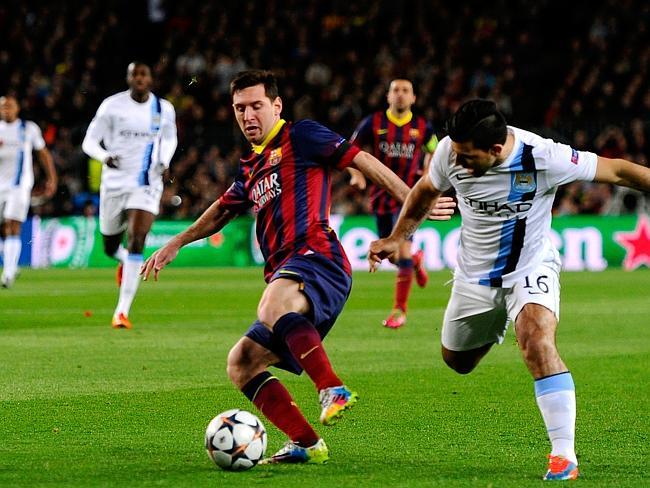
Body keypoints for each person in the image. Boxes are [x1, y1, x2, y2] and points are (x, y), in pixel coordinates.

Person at [141, 70, 453, 465]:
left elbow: (364, 160)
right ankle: (307, 442)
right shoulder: (251, 165)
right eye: (240, 109)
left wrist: (412, 199)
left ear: (276, 106)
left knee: (272, 307)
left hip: (319, 257)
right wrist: (177, 242)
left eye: (256, 106)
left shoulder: (301, 136)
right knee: (241, 363)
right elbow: (222, 210)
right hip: (288, 270)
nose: (248, 115)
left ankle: (332, 389)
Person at [368, 99, 650, 481]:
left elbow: (616, 170)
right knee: (457, 362)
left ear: (496, 150)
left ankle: (563, 455)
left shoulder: (543, 157)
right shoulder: (452, 152)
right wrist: (397, 236)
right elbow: (424, 190)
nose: (459, 162)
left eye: (469, 157)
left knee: (536, 338)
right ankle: (500, 322)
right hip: (473, 278)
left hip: (530, 268)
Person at [82, 62, 177, 329]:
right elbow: (89, 141)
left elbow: (170, 138)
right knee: (110, 246)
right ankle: (124, 261)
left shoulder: (163, 108)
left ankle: (121, 311)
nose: (139, 78)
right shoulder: (111, 106)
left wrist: (165, 160)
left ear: (150, 79)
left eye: (143, 74)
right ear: (128, 78)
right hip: (114, 184)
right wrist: (104, 156)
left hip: (146, 182)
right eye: (135, 74)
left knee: (137, 238)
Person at [348, 79, 442, 328]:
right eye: (395, 90)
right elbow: (349, 150)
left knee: (401, 251)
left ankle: (400, 311)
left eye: (405, 91)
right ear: (388, 96)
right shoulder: (373, 123)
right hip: (380, 196)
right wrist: (356, 174)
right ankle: (416, 260)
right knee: (390, 255)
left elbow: (435, 149)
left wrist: (428, 169)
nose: (400, 95)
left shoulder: (423, 126)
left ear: (413, 98)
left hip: (409, 196)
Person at [0, 95, 57, 288]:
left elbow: (43, 153)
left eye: (10, 105)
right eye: (3, 106)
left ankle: (7, 274)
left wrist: (52, 178)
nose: (7, 109)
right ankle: (12, 265)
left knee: (12, 225)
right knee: (3, 229)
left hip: (19, 186)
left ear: (17, 108)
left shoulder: (28, 128)